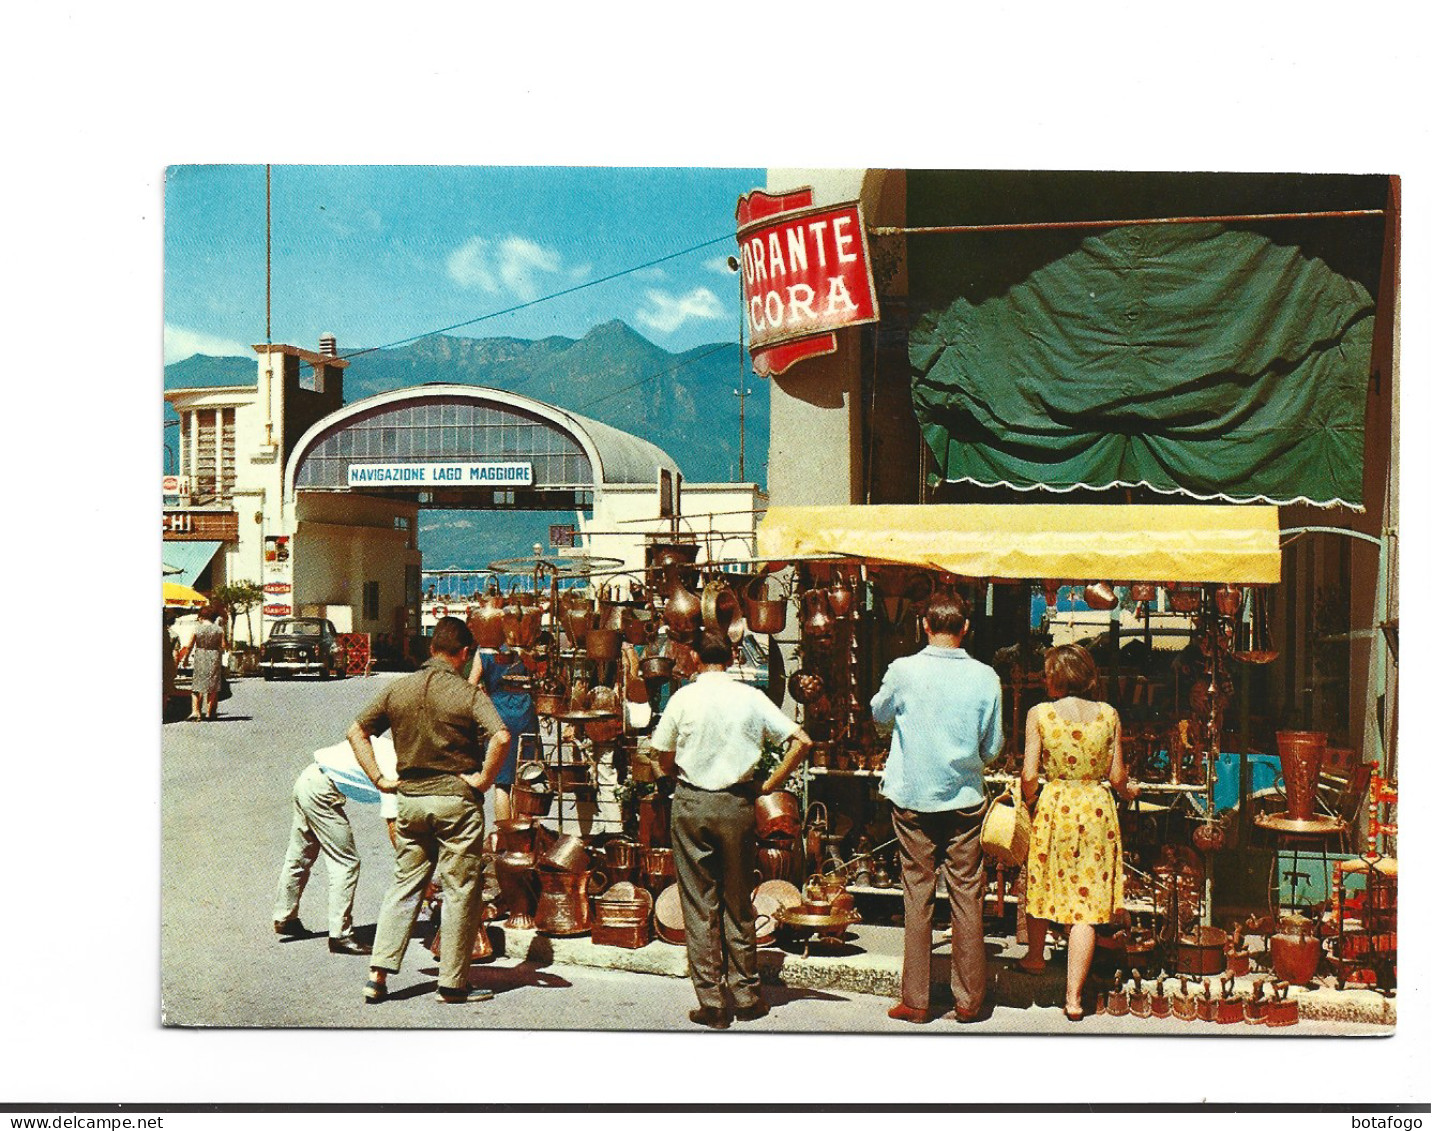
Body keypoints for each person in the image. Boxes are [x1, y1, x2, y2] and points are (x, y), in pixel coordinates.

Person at [650, 630, 812, 1029]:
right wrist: (769, 786)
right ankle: (746, 994)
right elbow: (802, 741)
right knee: (739, 901)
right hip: (738, 803)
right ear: (733, 654)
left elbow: (661, 753)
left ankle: (712, 1001)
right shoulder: (751, 697)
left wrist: (671, 775)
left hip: (691, 803)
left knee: (700, 904)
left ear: (692, 656)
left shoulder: (684, 698)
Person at [348, 616, 511, 1005]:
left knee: (405, 885)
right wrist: (485, 779)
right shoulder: (468, 694)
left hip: (411, 800)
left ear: (431, 648)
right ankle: (452, 983)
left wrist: (379, 778)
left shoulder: (397, 689)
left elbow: (356, 730)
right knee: (460, 890)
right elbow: (502, 735)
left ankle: (378, 976)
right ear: (464, 653)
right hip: (455, 800)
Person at [870, 591, 1003, 1024]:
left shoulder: (903, 670)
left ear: (924, 625)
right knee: (968, 895)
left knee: (917, 893)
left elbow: (878, 713)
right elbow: (994, 746)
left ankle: (917, 999)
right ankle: (968, 1002)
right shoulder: (986, 677)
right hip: (965, 799)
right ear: (966, 628)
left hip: (913, 798)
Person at [1019, 643, 1137, 1021]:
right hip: (1096, 810)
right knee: (1084, 905)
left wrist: (1032, 797)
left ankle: (1036, 957)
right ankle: (1073, 999)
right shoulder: (1109, 714)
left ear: (1056, 677)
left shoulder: (1040, 714)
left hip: (1055, 805)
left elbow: (1028, 774)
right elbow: (1118, 776)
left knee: (1042, 880)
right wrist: (1129, 791)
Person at [272, 734, 401, 954]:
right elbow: (394, 824)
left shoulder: (392, 746)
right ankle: (341, 935)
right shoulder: (396, 767)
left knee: (301, 853)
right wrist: (412, 865)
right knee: (346, 862)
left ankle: (285, 917)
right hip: (322, 792)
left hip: (308, 779)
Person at [468, 645, 537, 822]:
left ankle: (505, 836)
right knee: (525, 777)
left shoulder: (484, 651)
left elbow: (471, 686)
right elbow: (539, 673)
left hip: (497, 716)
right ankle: (523, 837)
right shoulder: (524, 647)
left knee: (502, 783)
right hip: (525, 712)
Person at [176, 604, 225, 721]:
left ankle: (196, 712)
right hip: (214, 657)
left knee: (197, 686)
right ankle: (210, 712)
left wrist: (186, 658)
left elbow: (189, 645)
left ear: (201, 617)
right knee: (213, 686)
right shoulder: (219, 630)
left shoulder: (197, 629)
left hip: (200, 656)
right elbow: (223, 645)